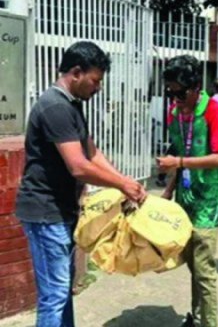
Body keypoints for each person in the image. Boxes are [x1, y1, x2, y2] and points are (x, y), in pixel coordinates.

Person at [15, 41, 147, 327]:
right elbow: (78, 166)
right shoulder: (54, 107)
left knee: (62, 291)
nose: (98, 88)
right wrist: (122, 185)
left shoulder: (71, 106)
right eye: (95, 80)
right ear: (76, 72)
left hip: (59, 211)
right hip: (44, 212)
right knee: (54, 295)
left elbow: (91, 152)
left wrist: (124, 180)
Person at [157, 55, 218, 327]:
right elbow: (180, 150)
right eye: (170, 92)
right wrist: (168, 190)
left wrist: (177, 163)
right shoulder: (174, 113)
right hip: (185, 198)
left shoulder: (211, 110)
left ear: (194, 88)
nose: (174, 98)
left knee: (204, 269)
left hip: (208, 200)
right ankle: (198, 316)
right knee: (192, 263)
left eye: (179, 92)